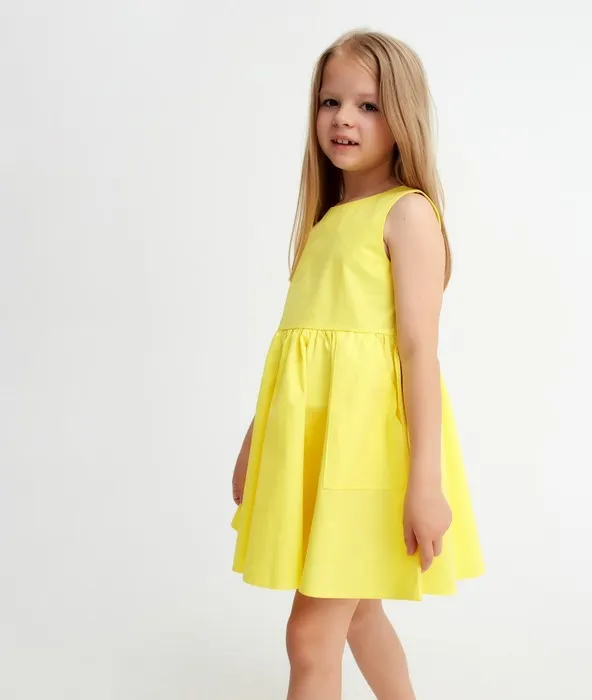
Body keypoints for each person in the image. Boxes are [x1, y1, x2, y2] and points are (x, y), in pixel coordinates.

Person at [230, 29, 485, 700]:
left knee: (310, 636)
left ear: (403, 117)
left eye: (368, 105)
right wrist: (257, 438)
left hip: (366, 457)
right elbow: (298, 346)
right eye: (331, 101)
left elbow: (419, 353)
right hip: (324, 454)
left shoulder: (407, 216)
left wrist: (425, 483)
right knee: (359, 614)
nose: (343, 118)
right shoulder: (327, 221)